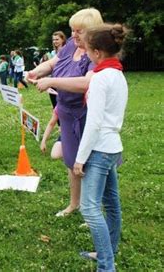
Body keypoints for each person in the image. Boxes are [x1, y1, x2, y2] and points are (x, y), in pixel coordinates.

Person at [26, 8, 104, 217]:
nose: (73, 35)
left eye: (79, 31)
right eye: (72, 30)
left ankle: (92, 210)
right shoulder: (71, 46)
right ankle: (74, 204)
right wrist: (36, 71)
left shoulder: (96, 54)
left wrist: (51, 81)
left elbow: (86, 83)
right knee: (71, 162)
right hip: (67, 114)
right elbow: (54, 63)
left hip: (86, 115)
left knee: (90, 163)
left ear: (92, 31)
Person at [74, 24, 129, 270]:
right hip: (113, 146)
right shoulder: (118, 74)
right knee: (111, 203)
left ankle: (107, 265)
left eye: (86, 49)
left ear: (96, 52)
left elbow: (94, 123)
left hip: (100, 148)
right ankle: (109, 250)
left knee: (89, 208)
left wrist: (80, 158)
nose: (84, 53)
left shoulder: (99, 78)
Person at [48, 31, 68, 110]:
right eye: (53, 40)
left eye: (57, 39)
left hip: (63, 78)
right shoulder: (53, 52)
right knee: (55, 104)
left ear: (62, 39)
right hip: (53, 78)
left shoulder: (67, 50)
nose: (55, 41)